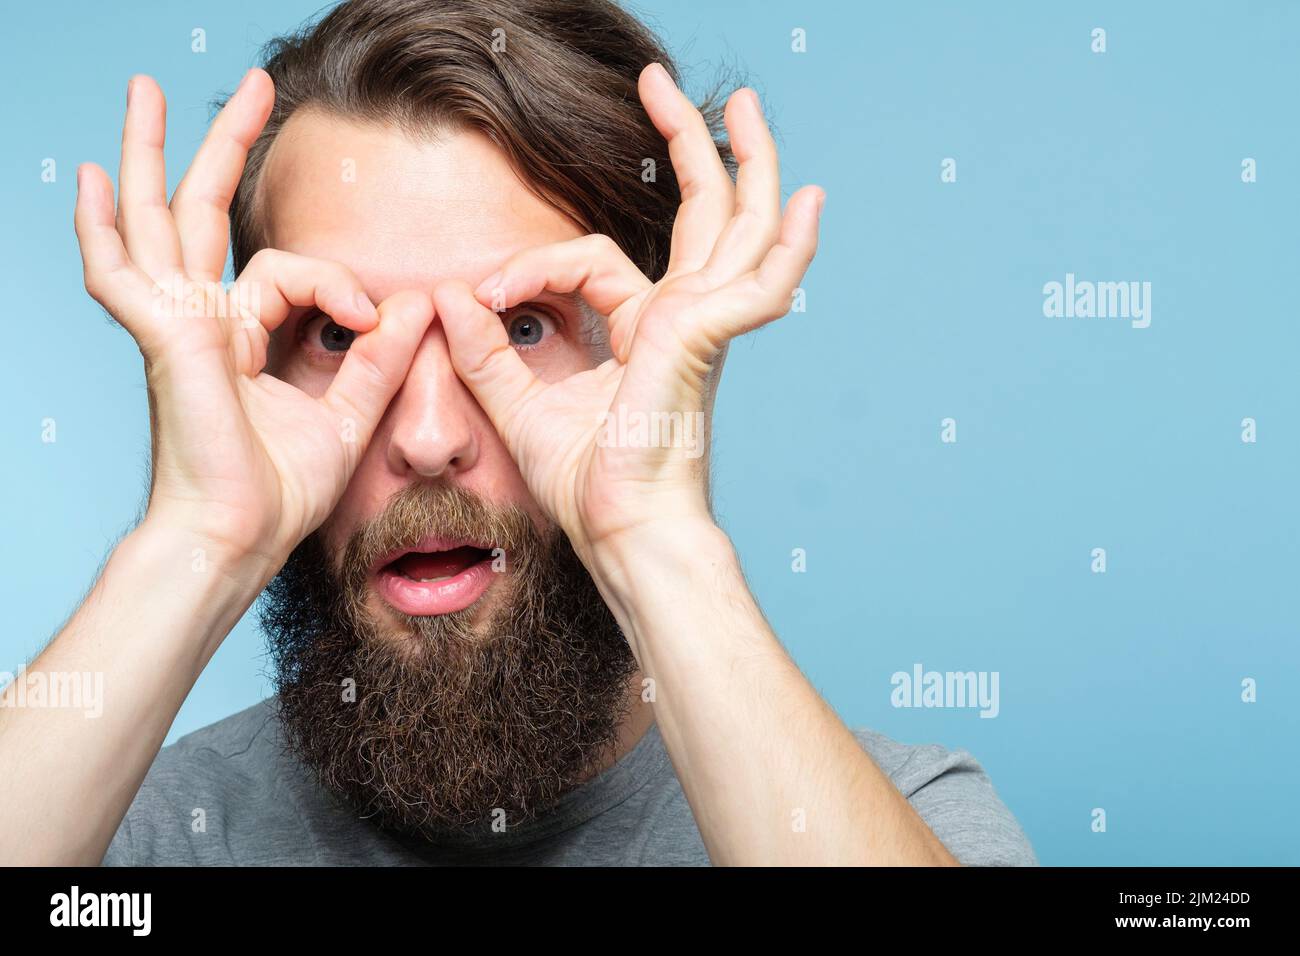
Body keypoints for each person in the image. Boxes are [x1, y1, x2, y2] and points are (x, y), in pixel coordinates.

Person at [0, 0, 1035, 866]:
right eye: (334, 331)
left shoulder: (905, 813)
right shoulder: (128, 841)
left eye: (524, 324)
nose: (429, 434)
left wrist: (649, 538)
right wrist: (197, 540)